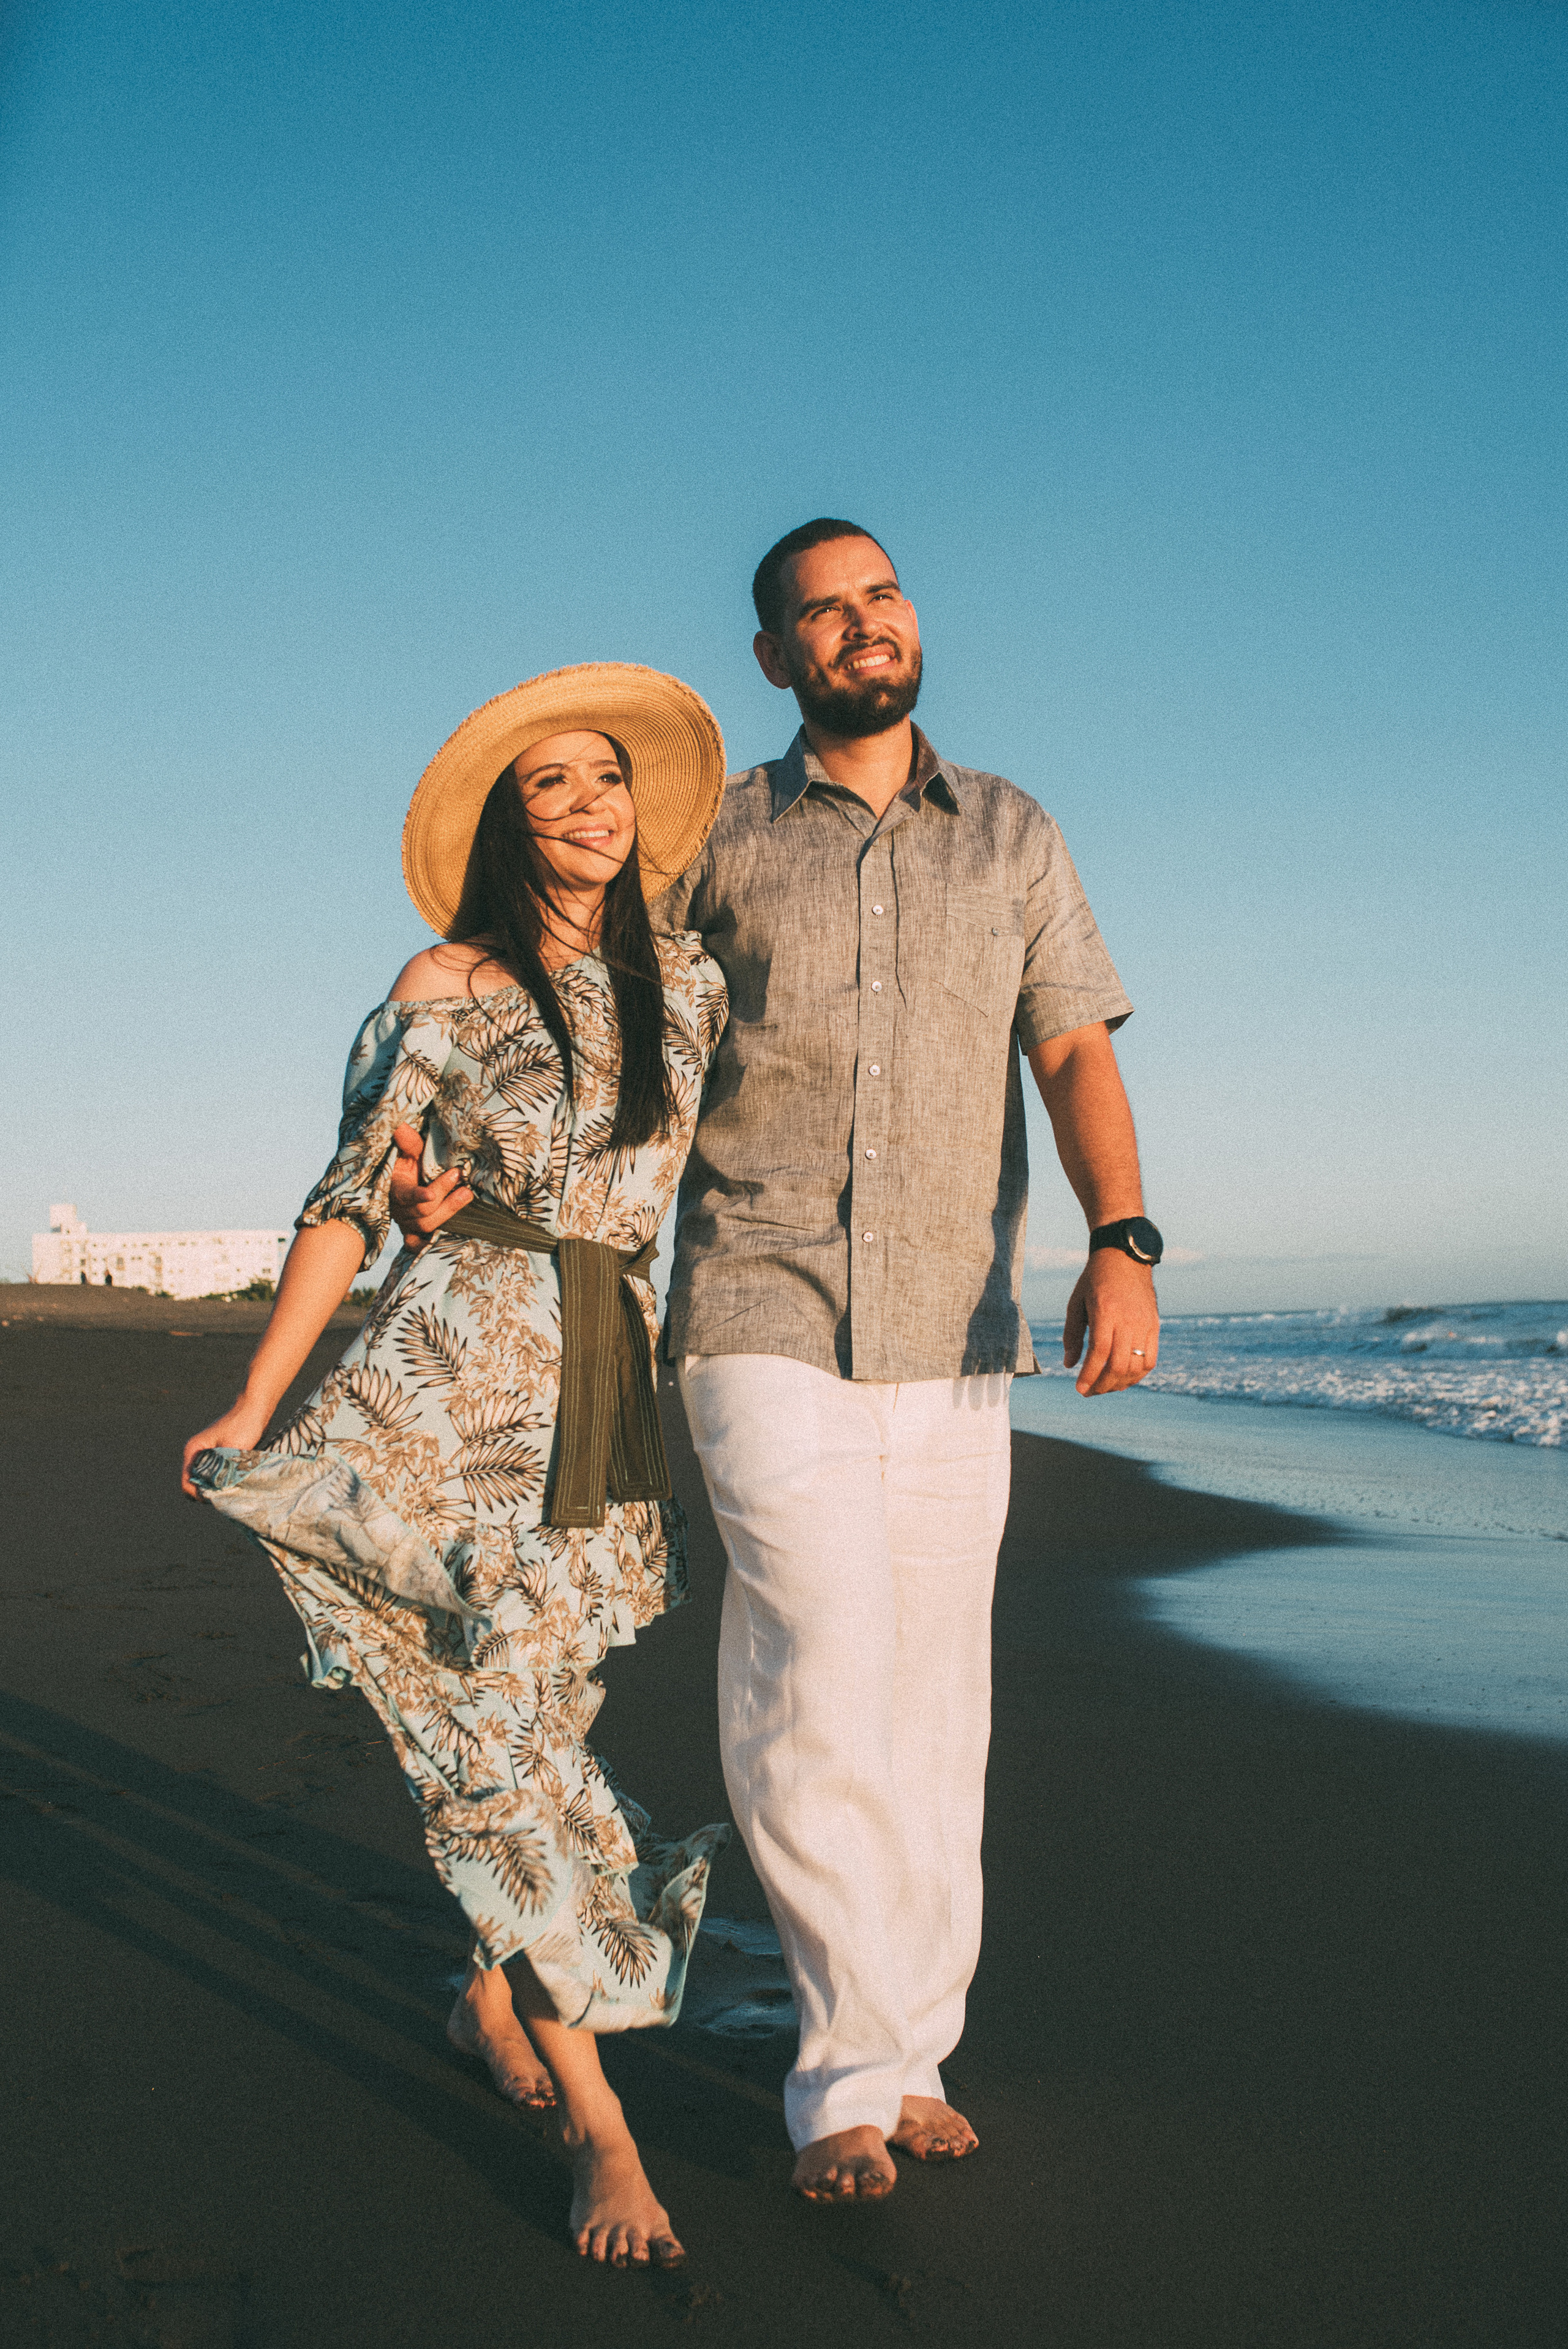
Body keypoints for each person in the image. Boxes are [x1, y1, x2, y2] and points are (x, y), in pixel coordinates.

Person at [391, 522, 1162, 2205]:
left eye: (879, 595)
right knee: (818, 1669)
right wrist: (449, 1131)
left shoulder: (1014, 832)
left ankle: (911, 2049)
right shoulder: (717, 838)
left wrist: (1124, 1234)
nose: (860, 624)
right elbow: (581, 989)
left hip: (956, 1327)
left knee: (936, 1705)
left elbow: (1071, 1048)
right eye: (822, 611)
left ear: (911, 618)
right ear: (774, 657)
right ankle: (847, 2080)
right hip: (755, 1310)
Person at [181, 664, 731, 2268]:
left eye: (606, 778)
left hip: (606, 1385)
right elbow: (354, 1194)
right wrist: (256, 1398)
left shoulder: (690, 984)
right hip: (454, 1382)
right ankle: (603, 2134)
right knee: (490, 1755)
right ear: (507, 822)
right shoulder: (451, 981)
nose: (588, 806)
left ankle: (491, 1990)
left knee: (547, 1719)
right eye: (550, 784)